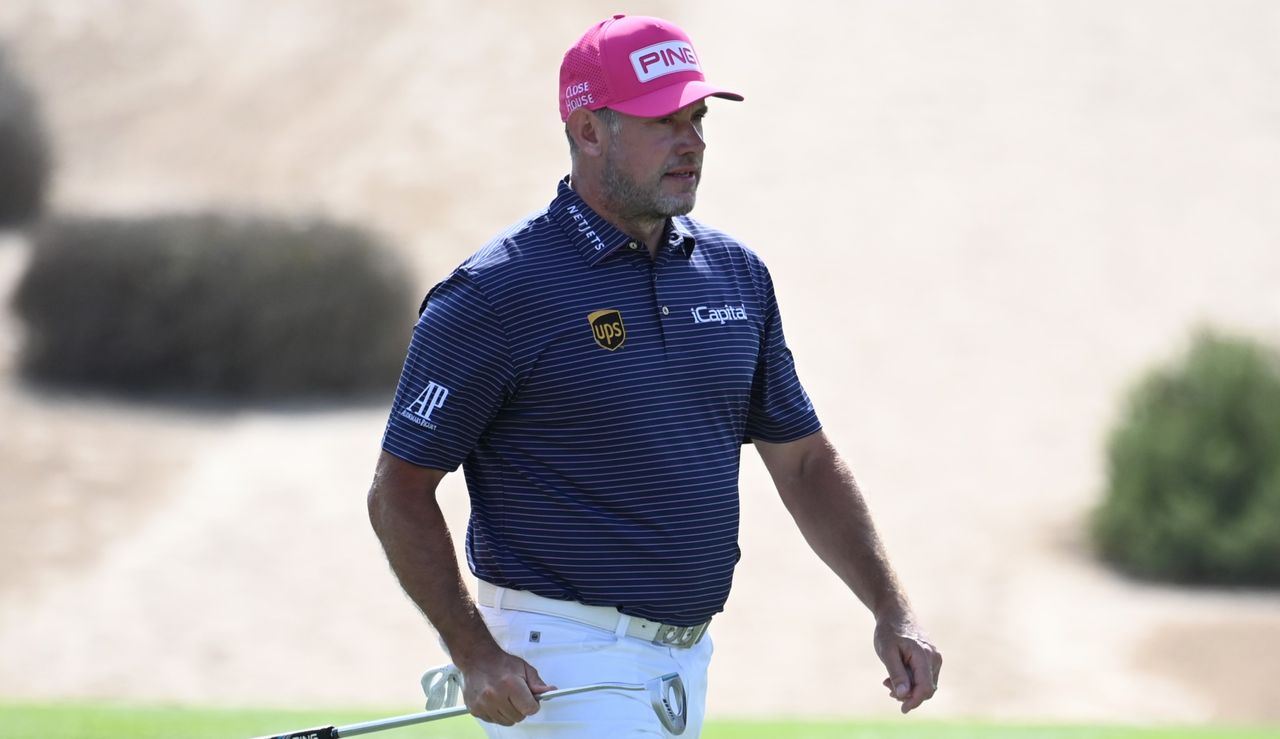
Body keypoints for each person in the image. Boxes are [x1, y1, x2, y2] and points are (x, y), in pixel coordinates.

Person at [368, 13, 942, 738]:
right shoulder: (496, 294)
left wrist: (889, 605)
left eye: (697, 118)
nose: (692, 142)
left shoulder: (736, 275)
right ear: (587, 130)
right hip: (559, 668)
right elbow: (399, 491)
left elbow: (803, 462)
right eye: (663, 120)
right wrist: (472, 648)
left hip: (685, 661)